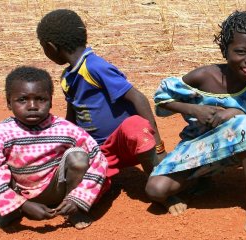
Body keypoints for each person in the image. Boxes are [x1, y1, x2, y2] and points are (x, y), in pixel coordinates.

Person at [146, 11, 246, 231]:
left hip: (235, 152)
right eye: (240, 51)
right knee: (155, 190)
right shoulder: (204, 76)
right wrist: (194, 109)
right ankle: (201, 179)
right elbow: (162, 100)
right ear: (224, 50)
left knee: (244, 123)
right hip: (196, 148)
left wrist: (236, 114)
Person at [36, 9, 166, 189]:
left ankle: (159, 181)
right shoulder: (67, 78)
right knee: (87, 188)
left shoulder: (94, 67)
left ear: (51, 47)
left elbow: (138, 98)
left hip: (126, 145)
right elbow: (72, 118)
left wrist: (158, 147)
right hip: (98, 151)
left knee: (135, 125)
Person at [0, 66, 107, 230]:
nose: (32, 106)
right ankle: (12, 210)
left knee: (79, 157)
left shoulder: (66, 129)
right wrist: (21, 204)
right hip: (19, 191)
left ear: (51, 101)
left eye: (41, 99)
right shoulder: (2, 132)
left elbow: (98, 158)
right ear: (9, 103)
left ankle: (73, 210)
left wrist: (78, 197)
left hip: (57, 190)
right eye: (22, 100)